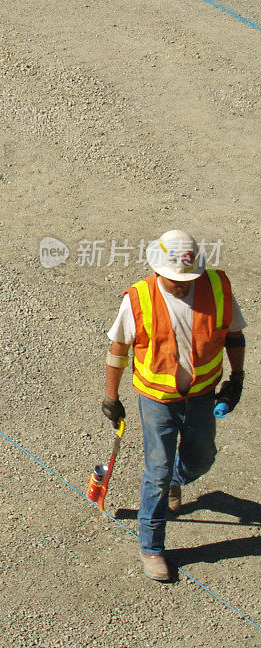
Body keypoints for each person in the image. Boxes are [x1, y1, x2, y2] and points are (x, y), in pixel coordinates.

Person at [102, 229, 246, 582]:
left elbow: (234, 334)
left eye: (188, 279)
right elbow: (118, 349)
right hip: (157, 400)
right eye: (174, 280)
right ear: (157, 270)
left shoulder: (217, 288)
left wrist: (237, 378)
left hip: (201, 395)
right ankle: (152, 548)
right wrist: (111, 397)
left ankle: (176, 481)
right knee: (158, 469)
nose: (182, 285)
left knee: (202, 458)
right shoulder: (138, 299)